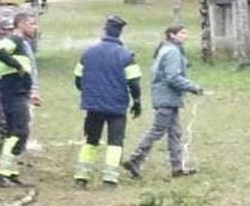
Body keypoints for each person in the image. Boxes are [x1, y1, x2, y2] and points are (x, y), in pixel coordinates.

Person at [125, 24, 205, 179]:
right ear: (172, 35)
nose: (185, 36)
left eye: (186, 33)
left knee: (175, 132)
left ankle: (177, 167)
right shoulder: (171, 52)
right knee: (158, 130)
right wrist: (194, 87)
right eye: (182, 33)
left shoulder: (167, 50)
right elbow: (172, 77)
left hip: (168, 97)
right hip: (166, 97)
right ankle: (135, 159)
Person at [73, 15, 141, 188]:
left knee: (90, 140)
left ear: (105, 30)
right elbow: (134, 82)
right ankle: (110, 179)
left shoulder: (88, 52)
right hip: (116, 106)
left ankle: (81, 177)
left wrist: (89, 92)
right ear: (120, 32)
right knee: (115, 142)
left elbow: (78, 79)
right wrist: (137, 101)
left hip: (93, 105)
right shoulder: (126, 55)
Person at [0, 11, 39, 187]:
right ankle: (2, 173)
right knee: (20, 132)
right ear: (21, 24)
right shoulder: (14, 40)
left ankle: (10, 172)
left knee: (14, 133)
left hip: (18, 92)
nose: (35, 27)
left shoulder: (23, 44)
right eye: (32, 24)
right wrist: (17, 66)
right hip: (12, 92)